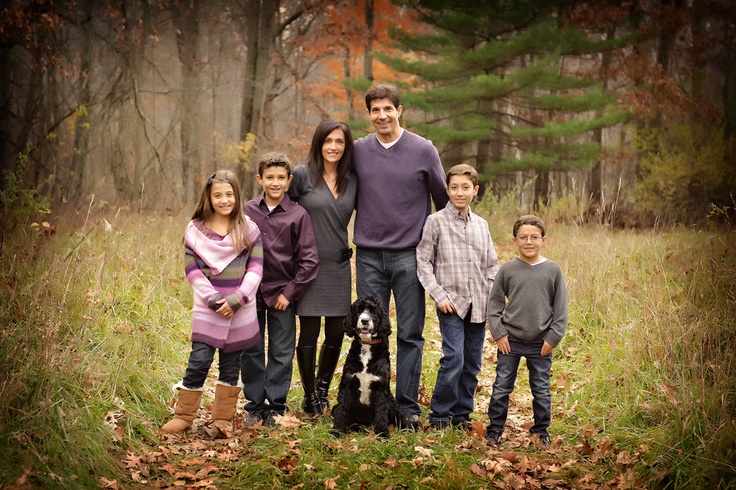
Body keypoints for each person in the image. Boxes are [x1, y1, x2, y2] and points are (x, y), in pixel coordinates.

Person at [352, 83, 449, 422]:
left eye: (387, 109)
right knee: (369, 333)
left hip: (411, 256)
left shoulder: (423, 149)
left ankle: (406, 407)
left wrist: (440, 252)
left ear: (399, 110)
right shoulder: (358, 150)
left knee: (410, 333)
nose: (382, 115)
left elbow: (443, 202)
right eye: (375, 110)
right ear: (368, 114)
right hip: (368, 256)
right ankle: (369, 404)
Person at [162, 170, 263, 437]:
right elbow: (191, 269)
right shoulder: (195, 231)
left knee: (231, 365)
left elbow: (256, 269)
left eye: (229, 194)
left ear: (237, 196)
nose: (224, 200)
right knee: (199, 360)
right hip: (209, 308)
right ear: (208, 197)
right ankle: (183, 416)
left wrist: (236, 299)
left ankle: (222, 419)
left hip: (239, 308)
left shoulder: (249, 230)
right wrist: (214, 299)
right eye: (218, 195)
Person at [416, 164, 499, 431]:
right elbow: (423, 262)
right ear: (447, 190)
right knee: (454, 358)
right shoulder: (435, 222)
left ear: (475, 190)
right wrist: (439, 296)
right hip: (451, 303)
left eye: (465, 187)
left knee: (472, 362)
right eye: (454, 187)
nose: (459, 192)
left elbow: (491, 265)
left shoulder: (481, 225)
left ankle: (462, 414)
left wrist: (490, 298)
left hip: (479, 304)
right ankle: (440, 415)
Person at [241, 153, 320, 426]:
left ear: (289, 180)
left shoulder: (298, 215)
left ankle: (275, 406)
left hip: (281, 295)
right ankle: (254, 406)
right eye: (269, 177)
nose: (275, 183)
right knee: (251, 349)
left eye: (280, 178)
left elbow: (309, 260)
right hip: (250, 294)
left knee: (281, 351)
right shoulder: (248, 211)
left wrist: (290, 292)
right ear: (259, 179)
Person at [288, 119, 357, 415]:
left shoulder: (353, 179)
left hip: (339, 265)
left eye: (339, 142)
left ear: (346, 146)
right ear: (318, 143)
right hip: (308, 266)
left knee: (336, 332)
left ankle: (323, 388)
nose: (333, 147)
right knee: (309, 330)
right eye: (328, 141)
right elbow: (283, 214)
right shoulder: (302, 176)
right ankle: (309, 395)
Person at [484, 215, 568, 447]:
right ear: (514, 240)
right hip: (510, 341)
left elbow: (560, 310)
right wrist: (499, 333)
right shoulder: (508, 269)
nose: (528, 241)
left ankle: (540, 432)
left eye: (534, 237)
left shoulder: (553, 270)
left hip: (541, 343)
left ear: (543, 239)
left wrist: (552, 338)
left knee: (541, 389)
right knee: (502, 387)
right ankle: (495, 430)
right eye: (523, 237)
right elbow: (494, 304)